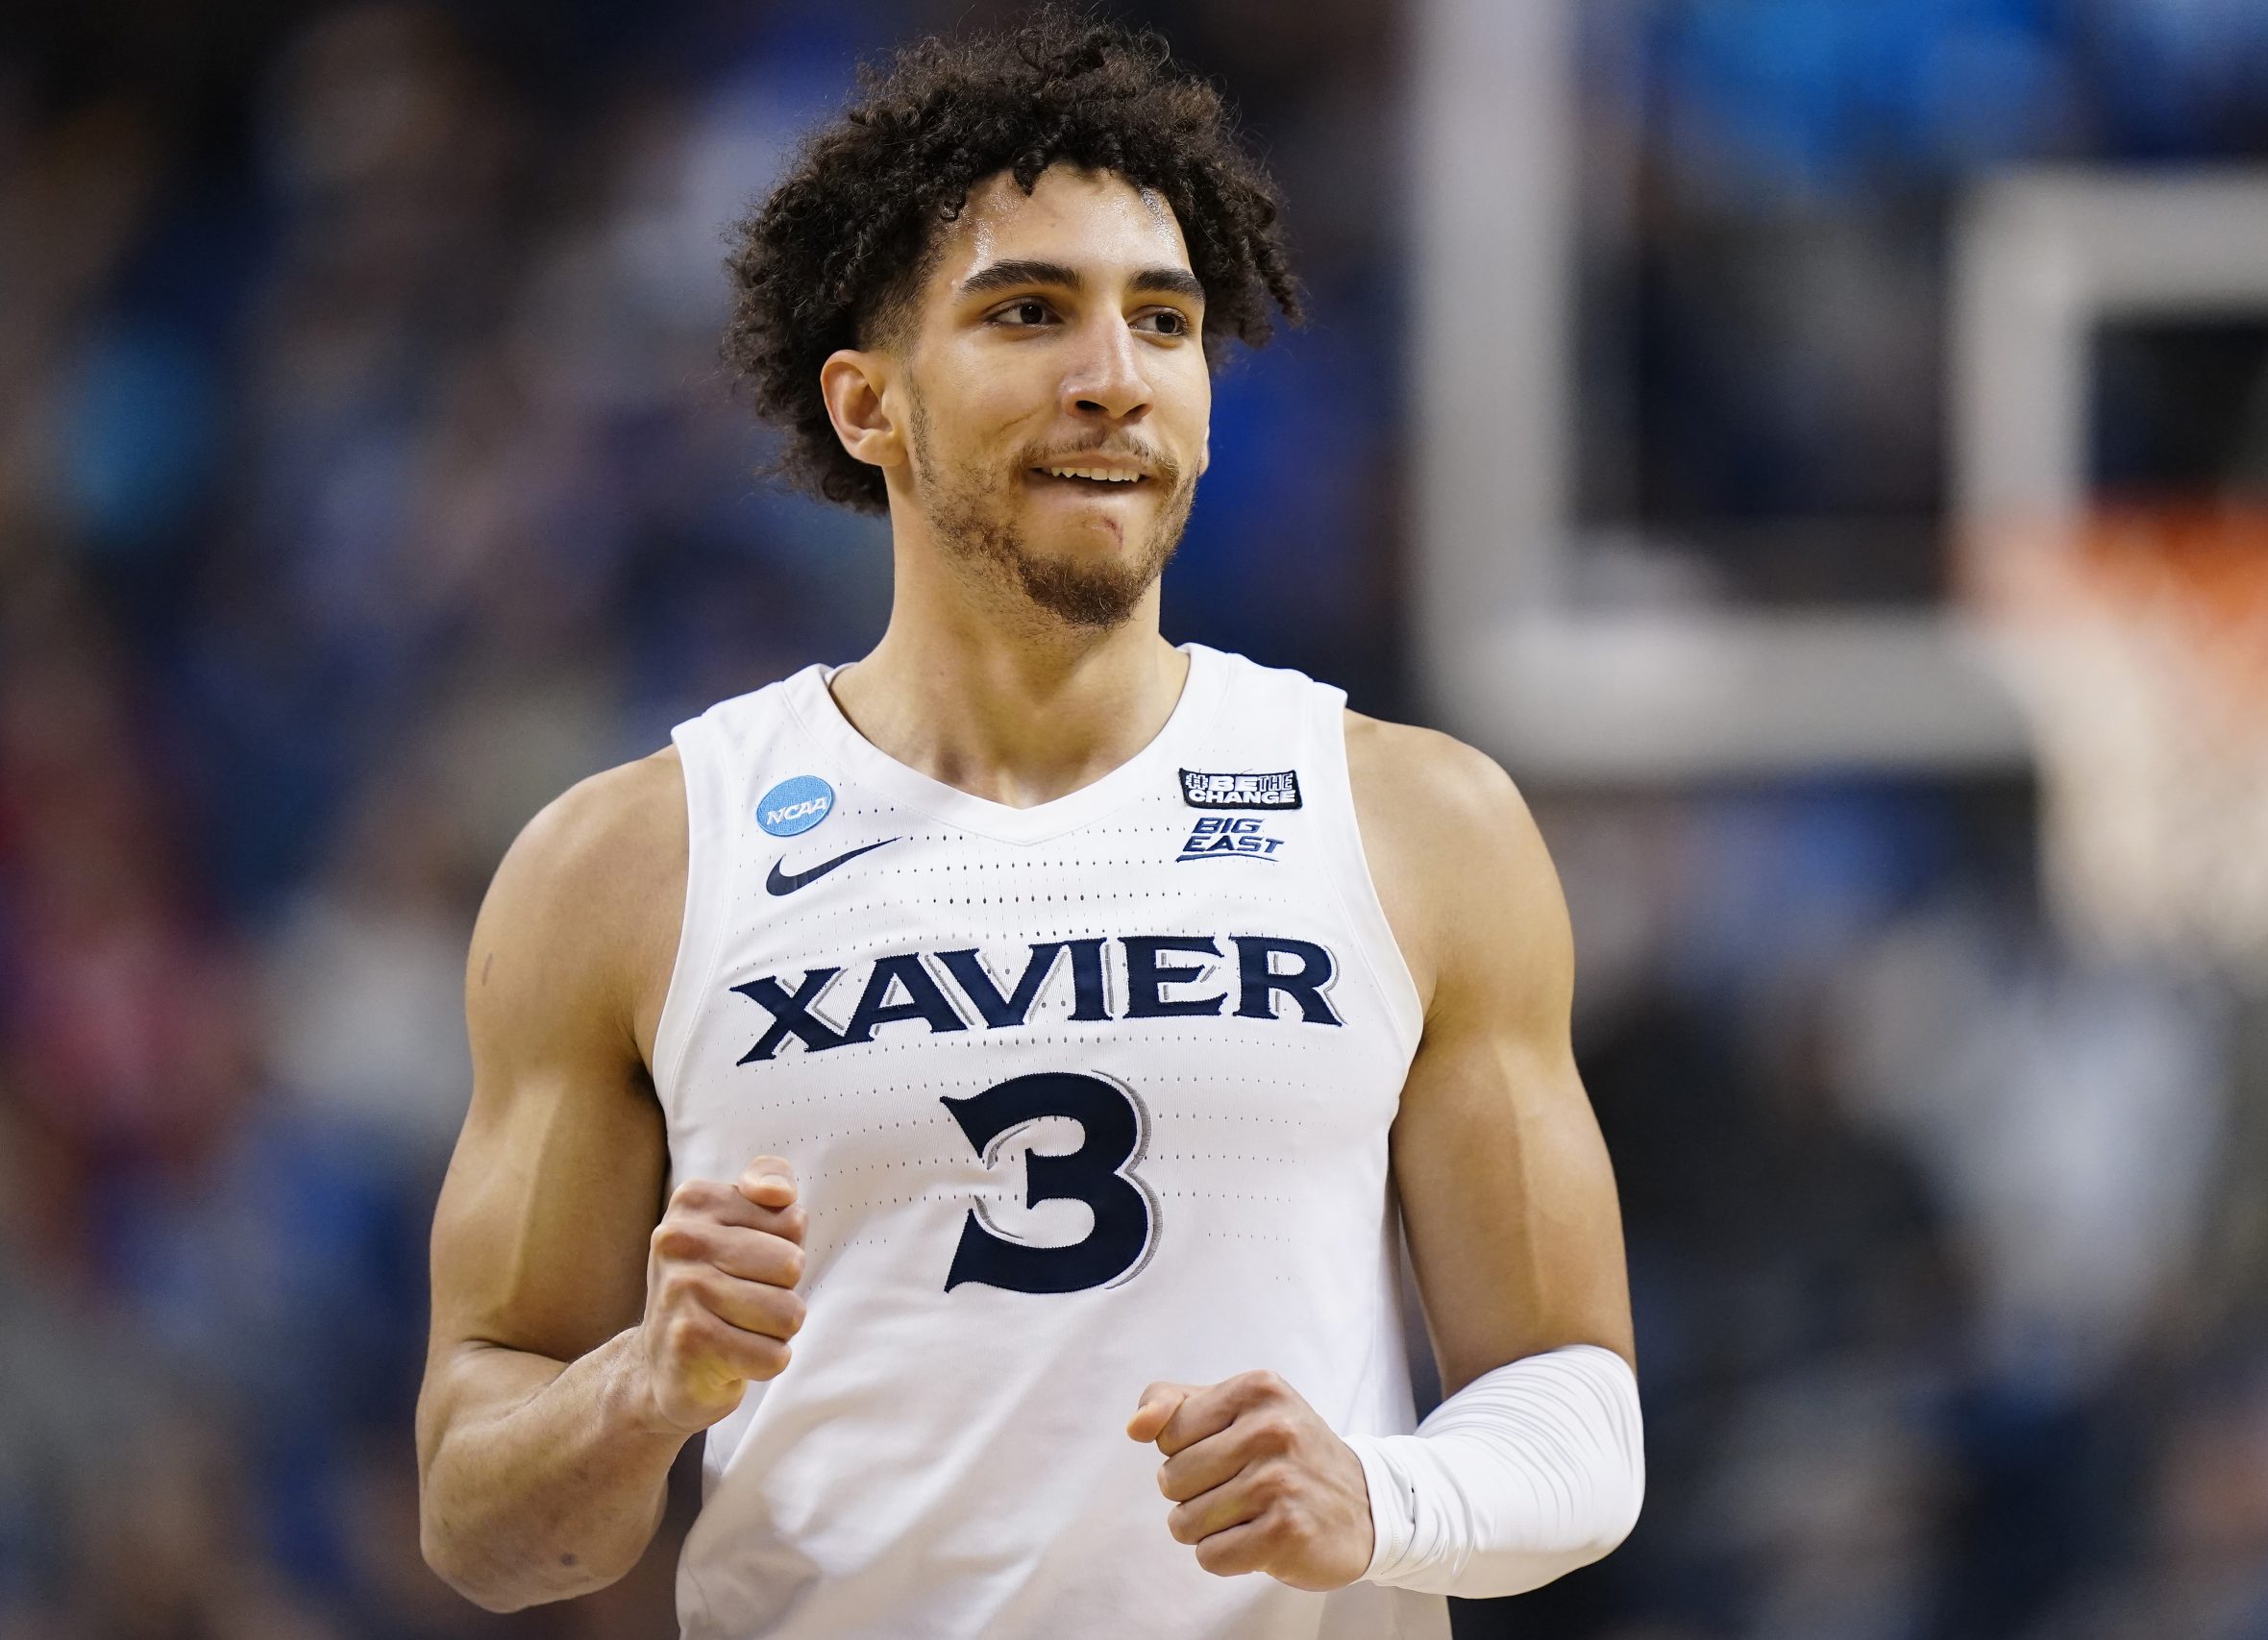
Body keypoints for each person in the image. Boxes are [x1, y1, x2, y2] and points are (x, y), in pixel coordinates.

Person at [413, 12, 1641, 1637]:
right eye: (1027, 314)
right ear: (869, 405)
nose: (1113, 379)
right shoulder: (631, 864)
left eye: (1163, 321)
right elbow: (487, 1532)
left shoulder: (1415, 818)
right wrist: (647, 1387)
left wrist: (1384, 1498)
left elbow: (1580, 1411)